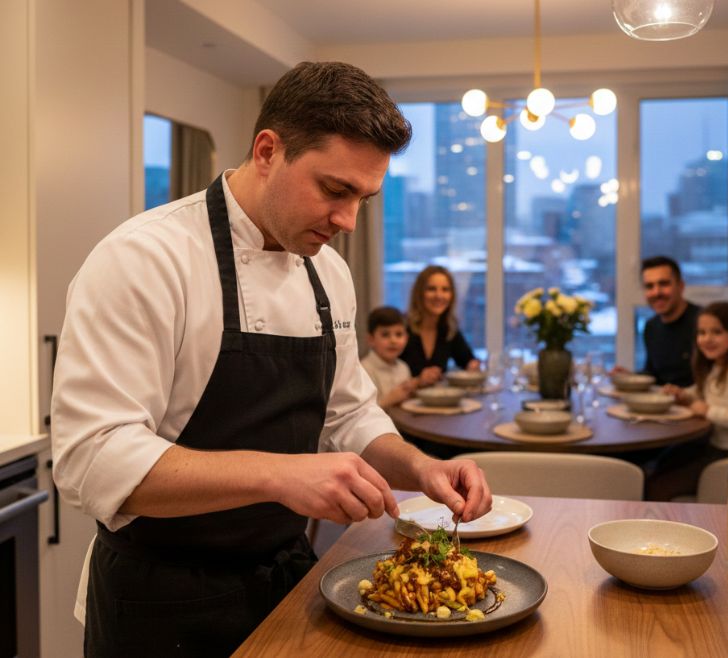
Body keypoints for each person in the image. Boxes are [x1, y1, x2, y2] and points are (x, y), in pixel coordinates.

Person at [50, 61, 492, 658]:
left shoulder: (329, 272)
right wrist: (281, 474)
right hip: (161, 601)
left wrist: (420, 468)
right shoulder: (145, 259)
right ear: (267, 151)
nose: (347, 221)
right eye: (335, 190)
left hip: (286, 584)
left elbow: (348, 414)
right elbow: (92, 459)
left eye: (364, 197)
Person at [645, 301, 728, 500]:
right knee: (658, 466)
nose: (707, 339)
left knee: (657, 485)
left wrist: (708, 410)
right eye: (701, 333)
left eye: (717, 332)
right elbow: (703, 391)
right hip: (713, 447)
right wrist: (683, 395)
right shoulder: (718, 366)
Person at [614, 256, 701, 386]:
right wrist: (631, 377)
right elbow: (653, 375)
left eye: (664, 284)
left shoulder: (703, 323)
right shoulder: (651, 327)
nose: (656, 292)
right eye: (649, 286)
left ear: (681, 286)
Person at [399, 265, 480, 383]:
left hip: (439, 401)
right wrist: (418, 380)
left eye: (445, 289)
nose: (439, 296)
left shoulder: (448, 329)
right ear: (419, 293)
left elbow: (468, 361)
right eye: (431, 289)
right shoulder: (401, 327)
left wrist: (474, 366)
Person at [360, 306, 419, 409]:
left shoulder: (403, 367)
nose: (393, 340)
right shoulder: (363, 370)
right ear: (371, 339)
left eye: (399, 334)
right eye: (385, 334)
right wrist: (389, 400)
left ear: (406, 338)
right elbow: (361, 413)